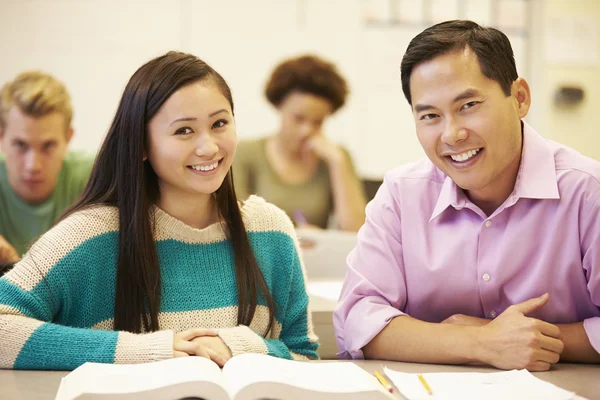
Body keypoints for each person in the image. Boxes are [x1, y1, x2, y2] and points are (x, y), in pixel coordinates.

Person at [0, 51, 318, 370]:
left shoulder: (270, 231)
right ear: (140, 144)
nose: (208, 147)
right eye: (184, 131)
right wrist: (144, 352)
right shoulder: (88, 236)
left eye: (219, 123)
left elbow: (303, 354)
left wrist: (240, 347)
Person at [333, 20, 600, 370]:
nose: (452, 134)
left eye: (469, 105)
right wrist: (481, 342)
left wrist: (528, 340)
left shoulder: (587, 193)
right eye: (430, 115)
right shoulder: (402, 194)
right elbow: (357, 319)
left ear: (519, 98)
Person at [233, 55, 367, 231]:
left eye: (317, 122)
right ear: (279, 107)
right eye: (298, 118)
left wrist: (338, 163)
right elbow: (233, 225)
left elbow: (357, 232)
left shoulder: (336, 156)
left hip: (314, 258)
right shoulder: (246, 153)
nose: (307, 130)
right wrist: (290, 238)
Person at [0, 71, 93, 266]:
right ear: (1, 137)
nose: (33, 165)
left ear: (68, 137)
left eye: (48, 146)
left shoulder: (95, 177)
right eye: (20, 145)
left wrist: (13, 263)